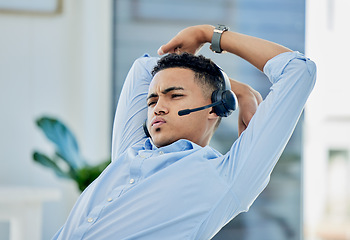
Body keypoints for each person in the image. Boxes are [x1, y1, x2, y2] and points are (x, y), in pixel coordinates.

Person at [53, 25, 316, 239]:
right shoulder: (130, 150)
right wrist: (238, 89)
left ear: (214, 108)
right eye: (151, 101)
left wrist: (208, 35)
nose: (158, 108)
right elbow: (145, 69)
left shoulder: (226, 177)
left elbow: (299, 71)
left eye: (174, 96)